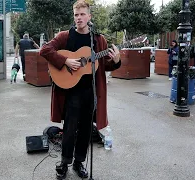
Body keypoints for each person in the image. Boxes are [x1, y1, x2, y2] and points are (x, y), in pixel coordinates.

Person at [39, 1, 121, 179]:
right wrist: (65, 61)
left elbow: (103, 64)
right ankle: (64, 163)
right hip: (71, 92)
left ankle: (79, 163)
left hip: (90, 92)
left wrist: (116, 61)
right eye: (76, 15)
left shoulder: (98, 40)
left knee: (85, 130)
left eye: (82, 14)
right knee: (69, 129)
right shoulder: (65, 36)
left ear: (89, 17)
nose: (79, 18)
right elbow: (45, 50)